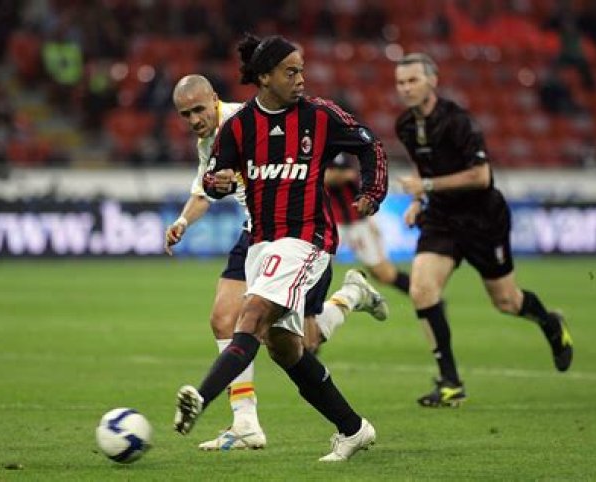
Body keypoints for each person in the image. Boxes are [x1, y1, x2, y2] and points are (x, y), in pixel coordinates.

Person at [172, 34, 389, 462]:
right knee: (286, 347)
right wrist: (218, 184)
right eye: (292, 72)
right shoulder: (238, 128)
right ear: (265, 77)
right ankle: (353, 429)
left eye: (301, 70)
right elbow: (214, 178)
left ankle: (203, 397)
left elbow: (369, 144)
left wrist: (372, 191)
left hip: (307, 238)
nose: (301, 79)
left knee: (248, 315)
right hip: (261, 243)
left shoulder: (320, 115)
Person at [393, 53, 574, 408]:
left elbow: (481, 176)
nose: (406, 88)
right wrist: (418, 201)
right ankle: (450, 383)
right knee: (421, 289)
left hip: (482, 219)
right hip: (441, 218)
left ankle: (550, 323)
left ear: (433, 80)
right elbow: (421, 166)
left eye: (413, 80)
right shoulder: (405, 125)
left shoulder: (458, 121)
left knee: (507, 301)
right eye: (400, 82)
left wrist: (426, 186)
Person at [327, 154, 411, 297]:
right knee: (317, 267)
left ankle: (422, 293)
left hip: (359, 224)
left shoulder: (342, 159)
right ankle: (308, 305)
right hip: (333, 225)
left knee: (383, 274)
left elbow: (350, 176)